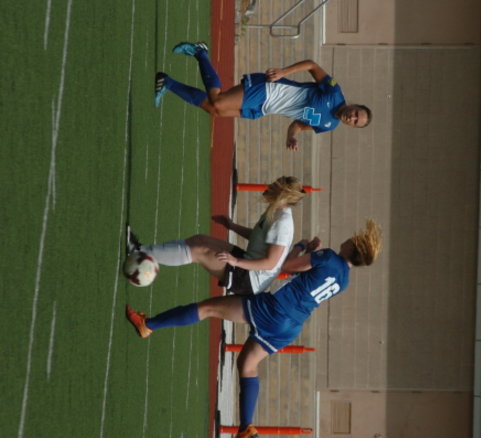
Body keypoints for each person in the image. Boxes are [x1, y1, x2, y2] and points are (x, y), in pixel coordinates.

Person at [125, 219, 383, 438]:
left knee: (208, 308)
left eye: (354, 239)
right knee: (247, 365)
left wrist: (303, 247)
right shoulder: (345, 280)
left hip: (275, 309)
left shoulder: (328, 257)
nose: (349, 238)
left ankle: (149, 325)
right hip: (291, 326)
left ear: (354, 248)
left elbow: (287, 266)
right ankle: (246, 427)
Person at [155, 41, 372, 150]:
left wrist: (291, 136)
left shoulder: (328, 125)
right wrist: (284, 72)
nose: (352, 117)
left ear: (352, 126)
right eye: (356, 113)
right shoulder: (334, 92)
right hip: (269, 90)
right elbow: (312, 65)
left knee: (215, 110)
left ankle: (167, 83)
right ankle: (200, 52)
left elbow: (298, 124)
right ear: (355, 106)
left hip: (265, 108)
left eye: (355, 122)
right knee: (218, 101)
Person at [127, 176, 306, 295]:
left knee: (199, 251)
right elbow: (258, 238)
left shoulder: (282, 223)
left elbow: (270, 263)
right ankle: (143, 250)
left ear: (282, 195)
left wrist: (235, 261)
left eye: (274, 186)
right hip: (247, 262)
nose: (269, 186)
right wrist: (232, 226)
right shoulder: (275, 211)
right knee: (199, 240)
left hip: (250, 279)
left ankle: (138, 251)